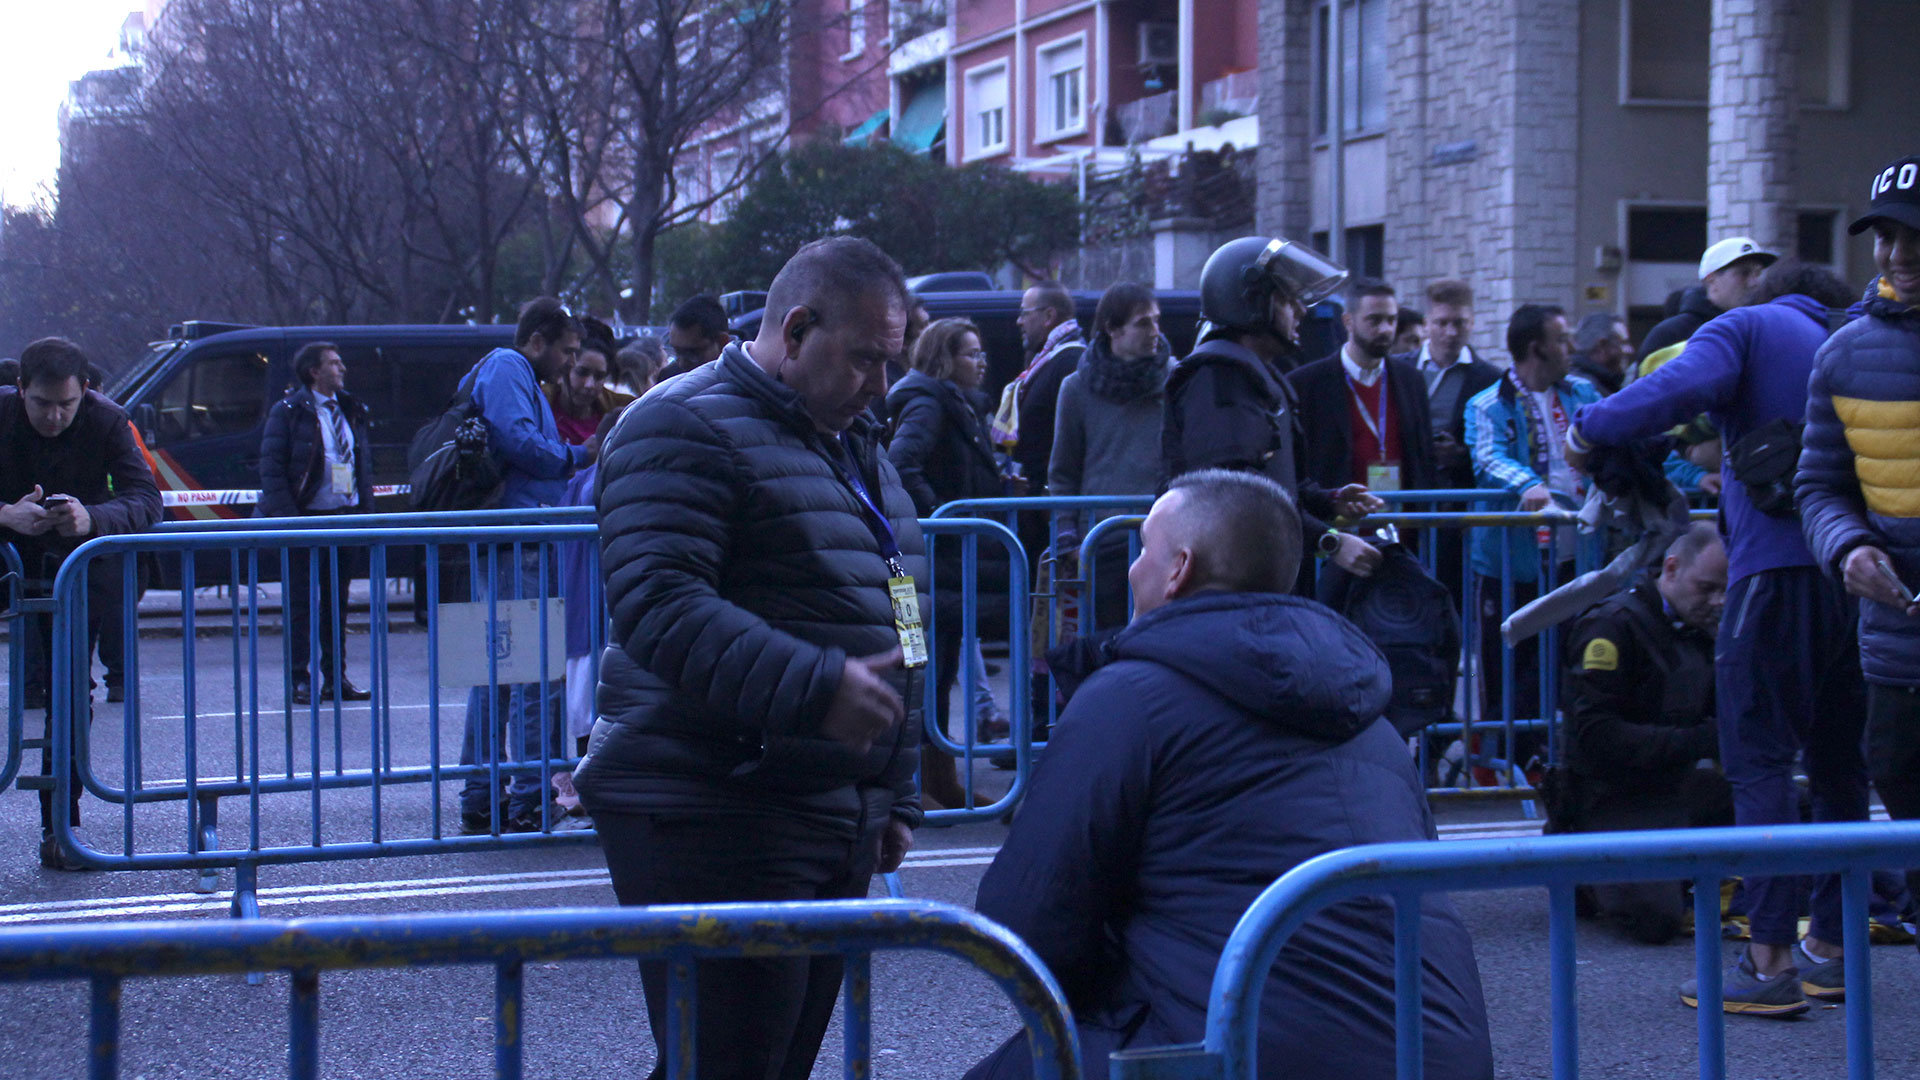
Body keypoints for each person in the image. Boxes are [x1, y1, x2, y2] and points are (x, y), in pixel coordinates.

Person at [964, 469, 1492, 1080]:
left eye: (1142, 550)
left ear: (1178, 569)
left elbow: (1026, 914)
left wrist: (1123, 979)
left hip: (1244, 1051)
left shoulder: (1129, 695)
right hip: (1438, 1052)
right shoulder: (1371, 716)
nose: (1133, 570)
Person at [575, 236, 924, 1080]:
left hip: (821, 801)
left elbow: (897, 612)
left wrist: (893, 788)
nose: (883, 385)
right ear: (797, 329)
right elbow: (660, 605)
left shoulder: (855, 441)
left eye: (892, 361)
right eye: (868, 359)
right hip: (708, 800)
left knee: (755, 1062)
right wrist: (817, 689)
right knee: (735, 1062)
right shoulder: (678, 422)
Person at [1568, 258, 1864, 1014]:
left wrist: (1585, 429)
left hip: (1772, 572)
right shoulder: (1856, 337)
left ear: (1765, 295)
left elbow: (1672, 389)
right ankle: (1829, 949)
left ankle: (1766, 966)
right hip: (1854, 577)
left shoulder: (1747, 326)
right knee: (1837, 768)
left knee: (1758, 761)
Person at [1797, 152, 1920, 951]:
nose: (1899, 253)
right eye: (1885, 236)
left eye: (1916, 236)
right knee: (1907, 810)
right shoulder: (1842, 352)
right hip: (1897, 649)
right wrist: (1846, 549)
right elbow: (1819, 485)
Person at [0, 337, 162, 868]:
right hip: (9, 563)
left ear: (85, 392)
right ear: (20, 389)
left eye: (66, 405)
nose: (53, 416)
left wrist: (92, 518)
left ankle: (60, 830)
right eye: (41, 403)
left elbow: (146, 499)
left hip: (72, 574)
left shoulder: (108, 420)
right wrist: (5, 513)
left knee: (69, 696)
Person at [1163, 235, 1384, 581]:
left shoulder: (1258, 374)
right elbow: (1234, 491)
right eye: (1285, 298)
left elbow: (1278, 485)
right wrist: (1328, 541)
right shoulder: (1218, 374)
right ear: (1249, 301)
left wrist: (1328, 501)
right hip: (1226, 580)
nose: (1300, 310)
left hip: (1258, 573)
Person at [457, 297, 595, 835]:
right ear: (537, 341)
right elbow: (522, 443)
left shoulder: (508, 373)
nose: (568, 363)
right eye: (567, 351)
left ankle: (486, 794)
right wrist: (581, 454)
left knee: (497, 672)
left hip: (515, 538)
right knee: (532, 673)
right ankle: (529, 798)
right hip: (522, 539)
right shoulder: (508, 367)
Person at [1557, 524, 1731, 945]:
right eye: (1707, 588)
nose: (1718, 602)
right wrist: (1703, 739)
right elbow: (1598, 736)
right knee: (1653, 921)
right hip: (1613, 794)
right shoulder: (1612, 627)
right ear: (1670, 568)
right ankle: (1581, 867)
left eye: (1727, 589)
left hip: (1674, 783)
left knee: (1797, 818)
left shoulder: (1703, 627)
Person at [887, 317, 1012, 808]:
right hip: (930, 559)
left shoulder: (956, 403)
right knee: (924, 670)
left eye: (981, 354)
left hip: (949, 562)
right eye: (970, 354)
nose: (980, 363)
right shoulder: (926, 402)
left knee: (937, 669)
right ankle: (923, 783)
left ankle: (938, 780)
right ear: (943, 357)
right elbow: (901, 464)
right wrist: (945, 515)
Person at [1462, 304, 1601, 728]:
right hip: (1511, 563)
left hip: (1576, 557)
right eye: (1563, 339)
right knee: (1507, 667)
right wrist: (1529, 487)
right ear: (1537, 349)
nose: (1573, 347)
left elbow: (1616, 441)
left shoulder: (1583, 394)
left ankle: (1555, 756)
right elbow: (1488, 456)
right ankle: (1496, 760)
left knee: (1569, 665)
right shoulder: (1487, 404)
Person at [258, 341, 376, 705]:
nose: (342, 369)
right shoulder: (289, 411)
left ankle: (334, 677)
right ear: (315, 372)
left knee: (336, 604)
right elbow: (272, 470)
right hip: (305, 521)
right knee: (301, 602)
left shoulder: (349, 408)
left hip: (344, 520)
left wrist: (367, 516)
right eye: (335, 364)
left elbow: (361, 465)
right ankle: (299, 678)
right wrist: (289, 520)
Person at [1048, 281, 1172, 627]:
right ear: (1112, 329)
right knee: (1106, 642)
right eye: (1143, 322)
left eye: (1156, 321)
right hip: (1103, 540)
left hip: (1165, 536)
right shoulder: (1076, 388)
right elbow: (1063, 471)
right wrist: (1067, 537)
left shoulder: (1176, 379)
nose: (1155, 332)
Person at [1289, 277, 1437, 501]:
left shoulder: (1411, 381)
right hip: (1339, 526)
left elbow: (1424, 458)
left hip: (1402, 522)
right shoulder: (1306, 384)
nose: (1386, 329)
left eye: (1391, 320)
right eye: (1374, 320)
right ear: (1348, 321)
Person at [999, 279, 1086, 493]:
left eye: (1024, 313)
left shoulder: (1071, 361)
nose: (1019, 321)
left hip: (1050, 504)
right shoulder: (1048, 361)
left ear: (1048, 316)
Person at [1640, 237, 1778, 361]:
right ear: (1711, 280)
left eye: (1758, 274)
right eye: (1744, 273)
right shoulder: (1671, 334)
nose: (1754, 283)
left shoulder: (1765, 331)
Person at [543, 324, 634, 446]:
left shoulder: (624, 411)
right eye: (582, 373)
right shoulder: (536, 404)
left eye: (599, 376)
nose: (589, 385)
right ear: (563, 369)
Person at [663, 293, 732, 379]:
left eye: (691, 354)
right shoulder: (668, 377)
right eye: (677, 351)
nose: (682, 364)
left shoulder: (745, 380)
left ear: (722, 343)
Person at [1570, 313, 1635, 396]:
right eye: (1623, 343)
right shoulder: (1588, 392)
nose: (1630, 350)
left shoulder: (1597, 386)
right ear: (1602, 346)